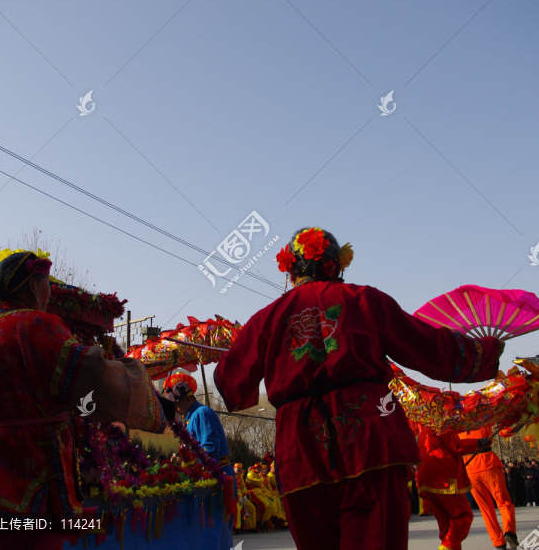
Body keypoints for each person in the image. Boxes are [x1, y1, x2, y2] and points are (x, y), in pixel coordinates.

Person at [214, 228, 505, 550]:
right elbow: (426, 346)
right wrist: (485, 351)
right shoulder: (366, 300)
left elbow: (230, 379)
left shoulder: (267, 318)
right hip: (371, 438)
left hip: (301, 447)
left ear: (290, 270)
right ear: (337, 265)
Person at [0, 250, 169, 550]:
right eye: (47, 284)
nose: (49, 292)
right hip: (30, 472)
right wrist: (143, 390)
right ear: (32, 287)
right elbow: (91, 380)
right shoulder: (38, 325)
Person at [165, 377, 235, 548]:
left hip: (214, 476)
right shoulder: (190, 419)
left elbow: (209, 449)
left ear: (189, 398)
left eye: (178, 402)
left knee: (214, 528)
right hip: (204, 476)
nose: (176, 408)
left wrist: (193, 468)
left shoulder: (202, 413)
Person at [416, 424, 489, 550]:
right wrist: (477, 443)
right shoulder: (442, 427)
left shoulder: (424, 430)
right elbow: (456, 447)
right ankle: (446, 546)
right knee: (463, 515)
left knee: (446, 525)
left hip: (427, 481)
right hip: (444, 479)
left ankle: (449, 545)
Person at [459, 425, 518, 549]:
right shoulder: (484, 415)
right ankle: (509, 531)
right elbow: (504, 431)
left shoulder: (457, 422)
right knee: (503, 502)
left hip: (470, 468)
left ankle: (498, 542)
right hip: (488, 464)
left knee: (486, 509)